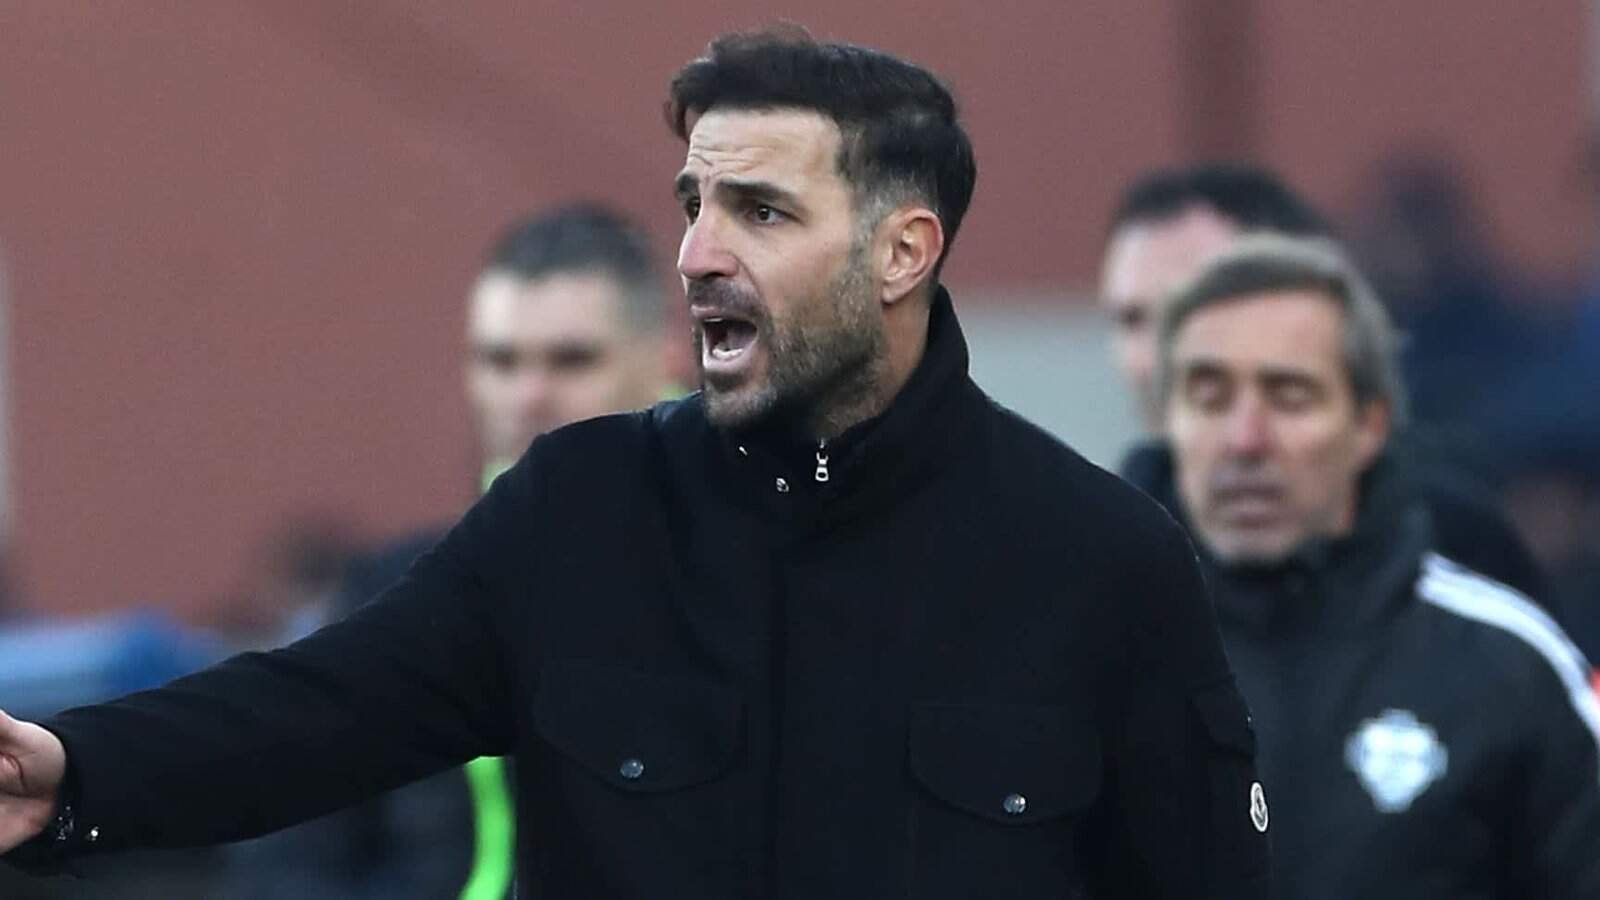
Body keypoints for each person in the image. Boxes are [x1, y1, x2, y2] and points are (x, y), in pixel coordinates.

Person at [0, 29, 1269, 898]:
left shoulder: (1100, 563)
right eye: (691, 203)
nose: (696, 255)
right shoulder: (577, 513)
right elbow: (314, 712)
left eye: (760, 212)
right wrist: (72, 774)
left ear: (902, 254)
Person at [221, 204, 674, 900]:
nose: (528, 394)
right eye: (500, 360)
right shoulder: (393, 589)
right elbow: (286, 850)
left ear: (665, 360)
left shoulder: (734, 570)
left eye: (573, 359)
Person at [1137, 233, 1600, 898]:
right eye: (1209, 398)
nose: (1244, 440)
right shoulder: (1071, 650)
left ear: (1370, 425)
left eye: (1289, 395)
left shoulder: (1506, 666)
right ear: (1168, 423)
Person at [1099, 162, 1547, 600]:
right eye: (1131, 320)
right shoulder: (1099, 554)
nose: (1158, 356)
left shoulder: (1454, 543)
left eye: (1203, 305)